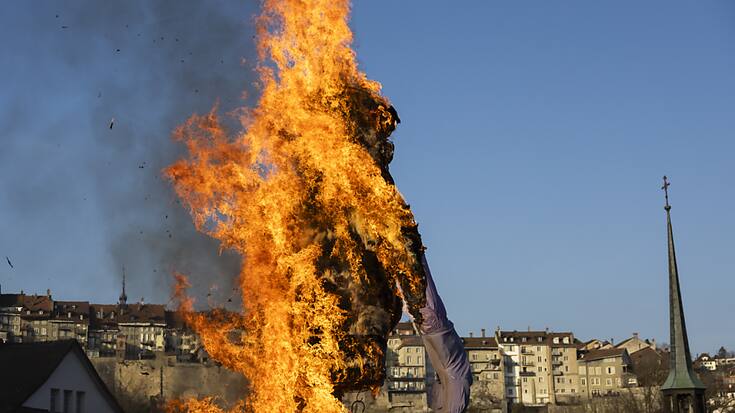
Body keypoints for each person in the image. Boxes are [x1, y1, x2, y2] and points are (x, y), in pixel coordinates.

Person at [417, 256, 472, 413]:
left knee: (416, 281)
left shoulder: (455, 380)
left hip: (433, 328)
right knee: (415, 281)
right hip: (432, 328)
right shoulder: (455, 381)